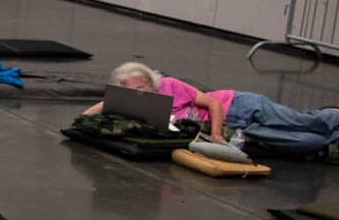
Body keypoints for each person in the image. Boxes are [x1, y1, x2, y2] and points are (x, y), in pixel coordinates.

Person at [84, 62, 339, 157]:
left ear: (151, 82)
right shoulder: (139, 103)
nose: (138, 92)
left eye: (141, 86)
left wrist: (216, 134)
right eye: (131, 90)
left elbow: (213, 104)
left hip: (239, 105)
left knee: (306, 121)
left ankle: (334, 113)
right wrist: (85, 118)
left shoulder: (170, 85)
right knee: (305, 142)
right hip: (239, 129)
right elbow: (103, 106)